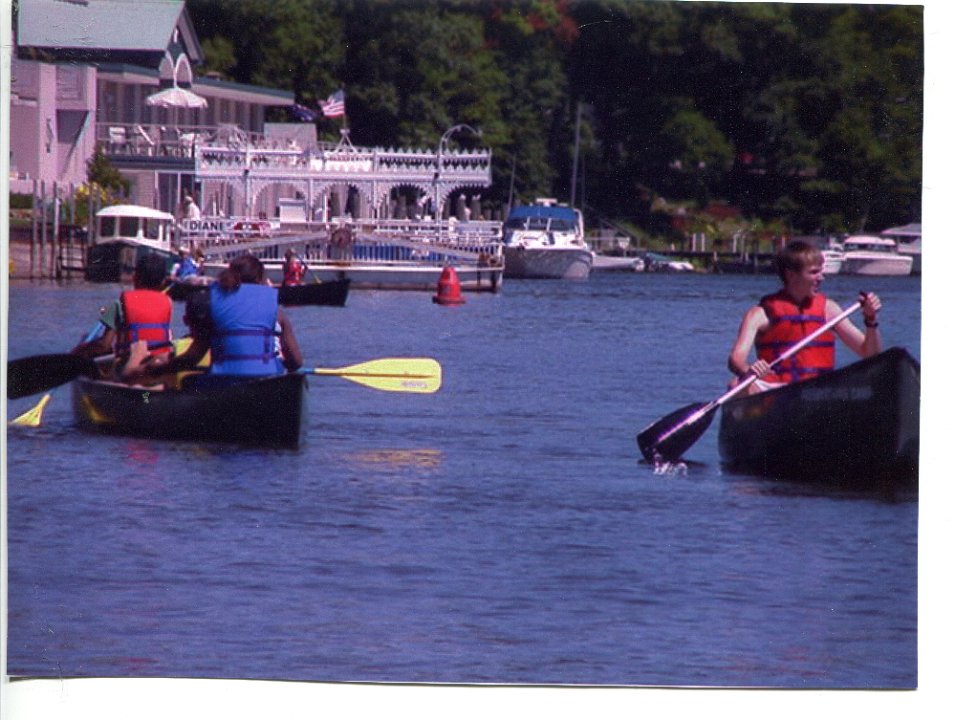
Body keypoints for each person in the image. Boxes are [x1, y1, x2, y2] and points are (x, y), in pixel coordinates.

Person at [727, 240, 882, 394]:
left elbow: (869, 354)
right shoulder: (760, 314)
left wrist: (870, 320)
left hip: (818, 389)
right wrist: (749, 370)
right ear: (791, 275)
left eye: (821, 271)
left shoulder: (829, 309)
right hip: (776, 390)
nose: (821, 278)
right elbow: (736, 360)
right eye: (814, 272)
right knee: (736, 385)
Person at [132, 254, 302, 383]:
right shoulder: (276, 311)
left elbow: (193, 358)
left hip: (225, 382)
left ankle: (146, 398)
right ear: (260, 280)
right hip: (269, 380)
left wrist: (157, 370)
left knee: (185, 382)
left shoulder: (213, 301)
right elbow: (296, 363)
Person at [71, 252, 174, 370]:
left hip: (127, 365)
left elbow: (105, 345)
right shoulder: (168, 302)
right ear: (163, 282)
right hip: (158, 366)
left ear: (135, 278)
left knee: (87, 339)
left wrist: (81, 349)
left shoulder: (119, 303)